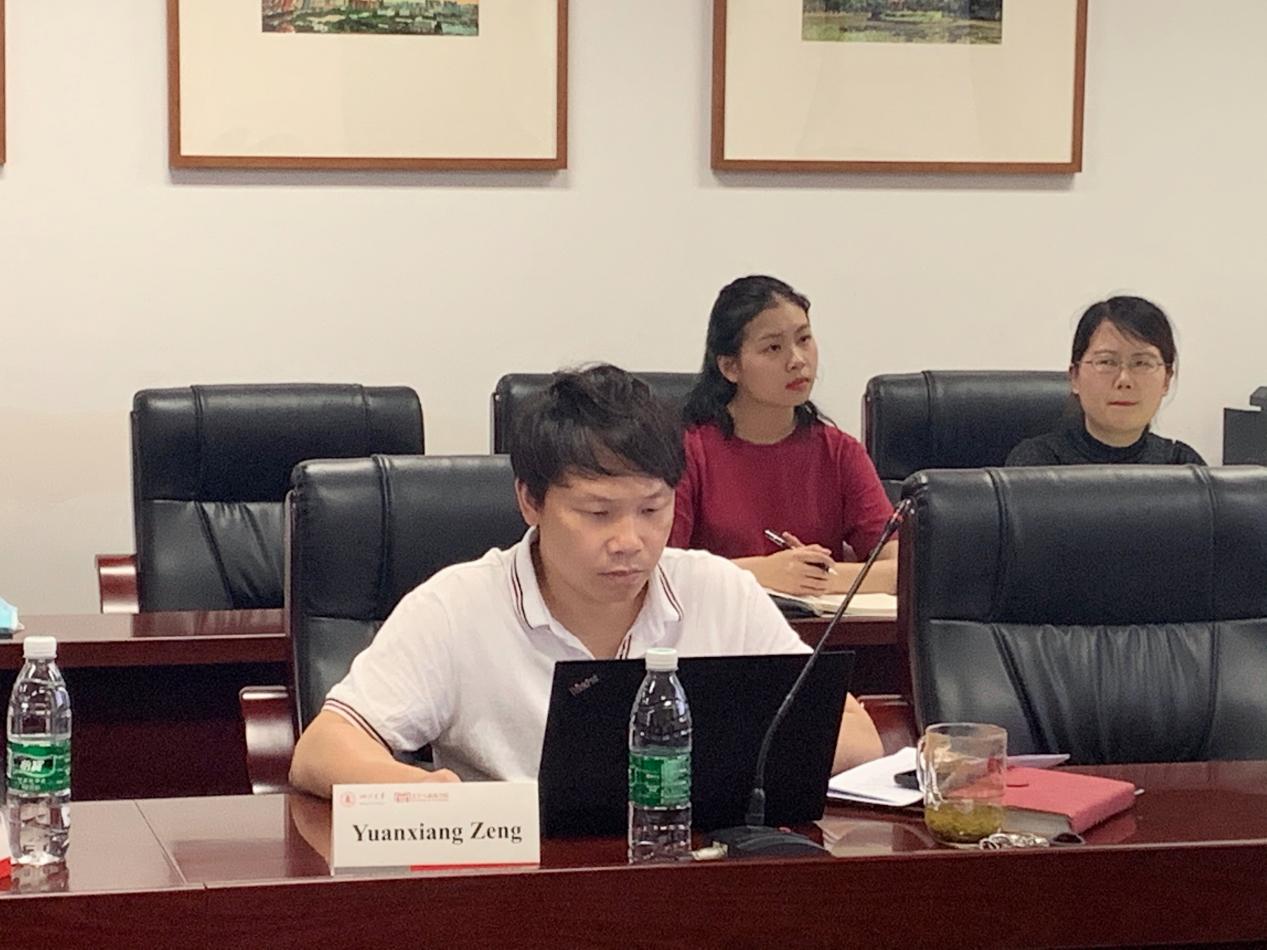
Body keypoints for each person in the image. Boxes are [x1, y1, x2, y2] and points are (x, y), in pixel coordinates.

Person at [288, 365, 883, 797]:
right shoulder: (457, 605)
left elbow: (857, 736)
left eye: (652, 509)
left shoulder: (718, 591)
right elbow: (323, 748)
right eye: (598, 513)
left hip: (690, 876)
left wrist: (717, 755)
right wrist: (426, 793)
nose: (630, 540)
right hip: (520, 889)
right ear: (530, 501)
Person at [670, 275, 896, 598]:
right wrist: (764, 574)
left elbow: (900, 569)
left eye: (804, 339)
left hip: (818, 628)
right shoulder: (688, 452)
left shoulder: (839, 452)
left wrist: (818, 577)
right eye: (773, 348)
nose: (797, 360)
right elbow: (663, 570)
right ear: (730, 367)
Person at [1006, 296, 1205, 466]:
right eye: (1107, 362)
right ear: (1075, 377)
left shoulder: (1182, 466)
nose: (1124, 380)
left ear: (1166, 380)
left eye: (1142, 363)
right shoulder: (1038, 464)